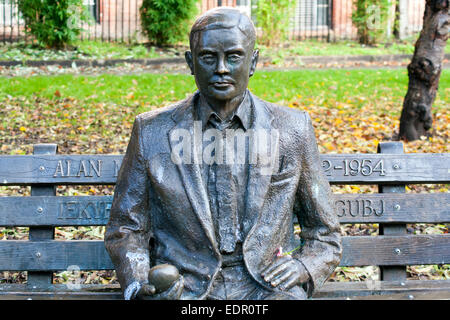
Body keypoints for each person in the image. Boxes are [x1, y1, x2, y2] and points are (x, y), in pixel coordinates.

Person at [105, 7, 341, 300]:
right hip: (185, 288)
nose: (221, 68)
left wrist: (305, 266)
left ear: (253, 62)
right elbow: (126, 229)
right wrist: (139, 285)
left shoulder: (292, 130)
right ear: (191, 63)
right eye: (208, 57)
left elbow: (325, 234)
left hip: (266, 287)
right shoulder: (151, 132)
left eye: (234, 56)